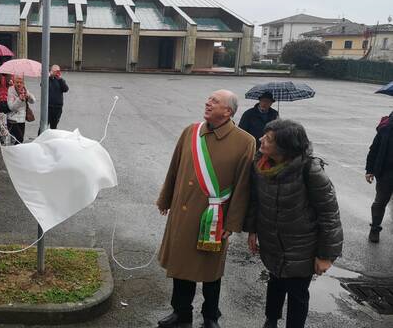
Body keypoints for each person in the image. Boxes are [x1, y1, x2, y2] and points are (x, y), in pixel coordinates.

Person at [156, 90, 255, 328]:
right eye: (209, 99)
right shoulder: (191, 132)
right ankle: (181, 313)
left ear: (228, 111)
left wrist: (232, 225)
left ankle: (210, 316)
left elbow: (243, 187)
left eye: (214, 101)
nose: (207, 103)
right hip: (183, 211)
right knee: (181, 267)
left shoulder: (245, 141)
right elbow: (174, 168)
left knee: (211, 271)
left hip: (214, 217)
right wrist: (165, 199)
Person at [244, 119, 343, 328]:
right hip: (271, 241)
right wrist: (251, 230)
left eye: (268, 139)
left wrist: (326, 256)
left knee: (297, 293)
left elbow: (329, 215)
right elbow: (255, 200)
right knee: (275, 282)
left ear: (284, 146)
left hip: (301, 247)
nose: (261, 140)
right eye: (264, 135)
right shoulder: (261, 164)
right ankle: (271, 320)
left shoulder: (309, 170)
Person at [365, 110, 393, 243]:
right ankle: (375, 228)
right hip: (386, 172)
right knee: (380, 202)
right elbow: (374, 149)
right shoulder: (386, 127)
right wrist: (369, 170)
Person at [6, 74, 35, 144]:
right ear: (14, 82)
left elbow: (33, 101)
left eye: (20, 82)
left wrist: (29, 96)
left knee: (19, 140)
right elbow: (11, 107)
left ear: (23, 83)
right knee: (19, 139)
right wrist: (19, 99)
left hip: (22, 119)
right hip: (12, 119)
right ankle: (14, 153)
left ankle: (15, 152)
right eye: (17, 82)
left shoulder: (24, 90)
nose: (19, 84)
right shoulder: (11, 91)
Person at [47, 65, 68, 129]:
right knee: (43, 125)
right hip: (48, 107)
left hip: (57, 108)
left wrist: (60, 79)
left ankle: (52, 138)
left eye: (58, 71)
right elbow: (42, 85)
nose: (57, 73)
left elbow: (66, 89)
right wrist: (48, 77)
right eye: (55, 71)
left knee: (54, 127)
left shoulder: (61, 80)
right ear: (51, 71)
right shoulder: (48, 79)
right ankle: (40, 138)